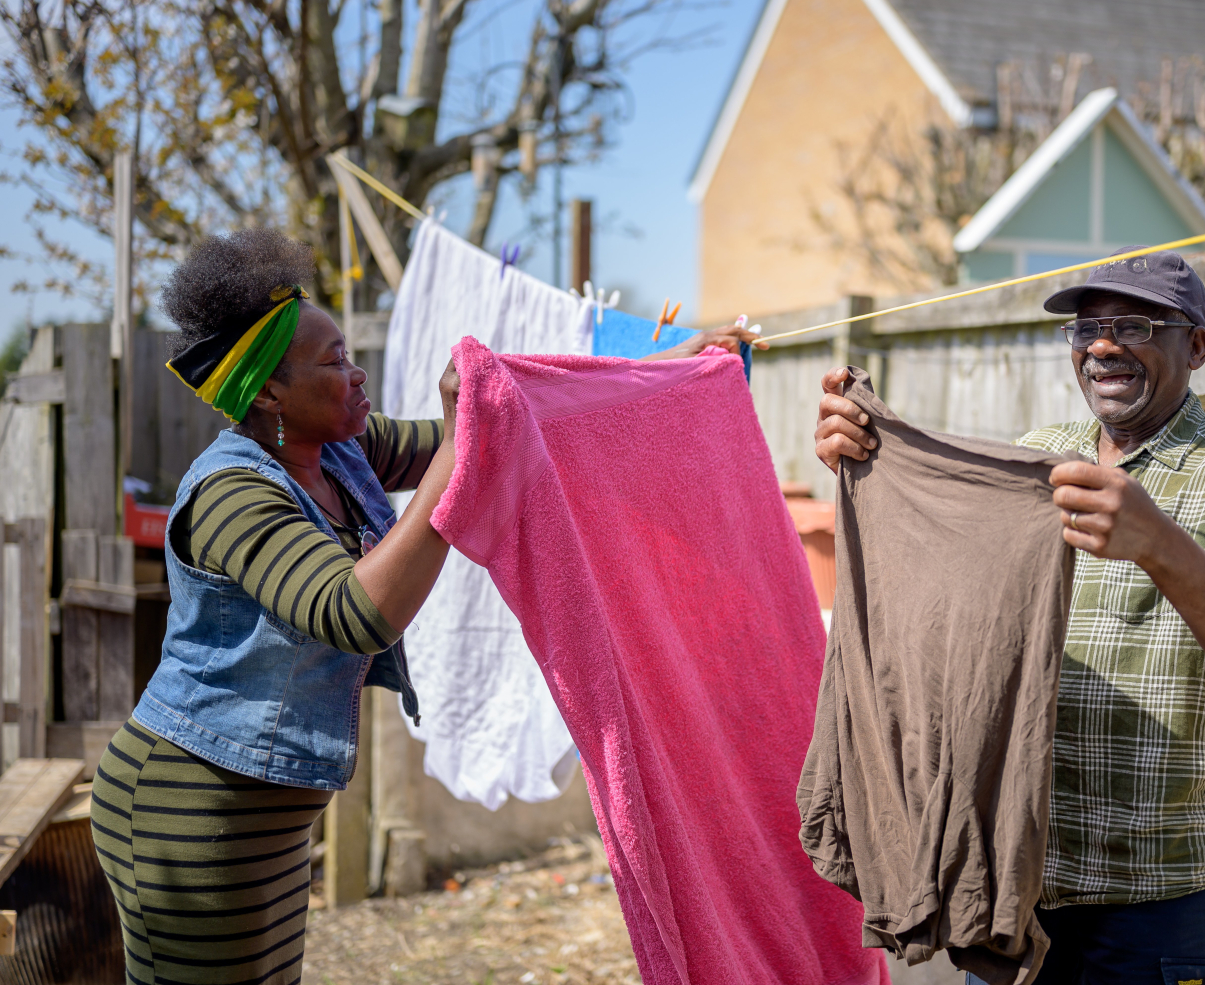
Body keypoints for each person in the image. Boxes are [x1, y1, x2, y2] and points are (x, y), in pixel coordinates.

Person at [91, 230, 761, 984]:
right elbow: (354, 612)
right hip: (189, 810)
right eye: (335, 361)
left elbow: (512, 427)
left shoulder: (335, 452)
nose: (358, 372)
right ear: (270, 393)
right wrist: (458, 454)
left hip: (255, 818)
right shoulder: (232, 495)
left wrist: (665, 368)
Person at [813, 247, 1205, 985]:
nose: (1103, 344)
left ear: (1195, 346)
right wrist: (870, 462)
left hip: (1164, 902)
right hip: (1019, 887)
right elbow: (952, 590)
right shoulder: (1043, 458)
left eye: (1135, 324)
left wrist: (1159, 545)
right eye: (1086, 330)